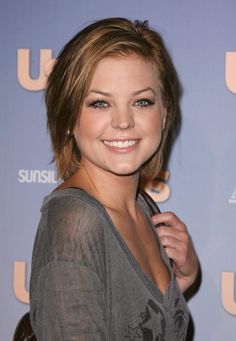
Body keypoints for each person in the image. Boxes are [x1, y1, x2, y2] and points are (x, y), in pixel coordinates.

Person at [29, 17, 199, 340]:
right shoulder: (75, 223)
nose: (123, 121)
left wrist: (182, 282)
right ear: (68, 117)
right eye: (100, 103)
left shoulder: (144, 208)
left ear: (164, 113)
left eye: (142, 101)